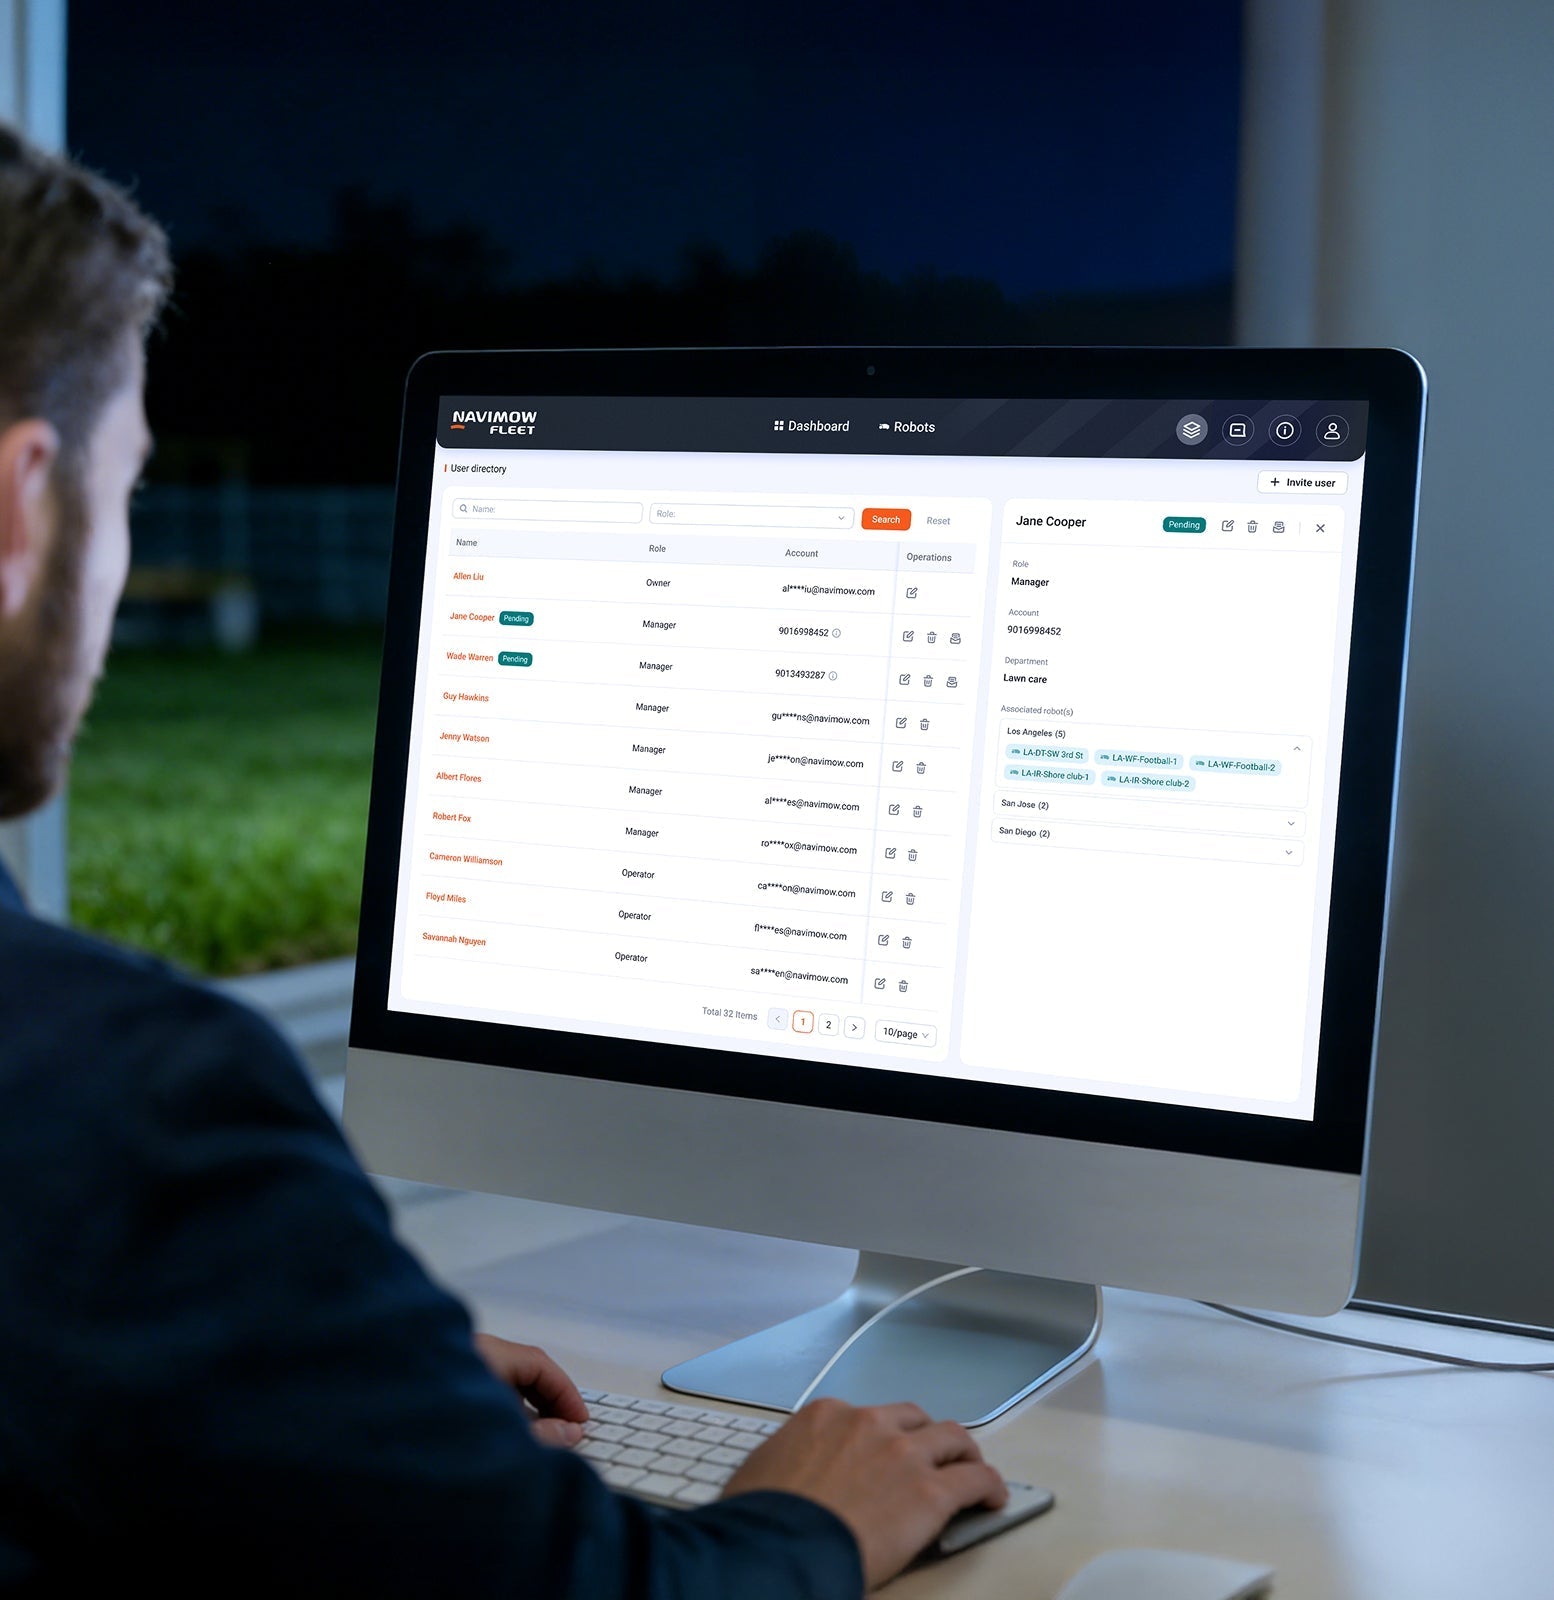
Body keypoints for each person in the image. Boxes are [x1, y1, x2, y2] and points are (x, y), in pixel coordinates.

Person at [0, 125, 1005, 1596]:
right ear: (19, 502)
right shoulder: (128, 1105)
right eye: (128, 489)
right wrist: (808, 1524)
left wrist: (303, 1366)